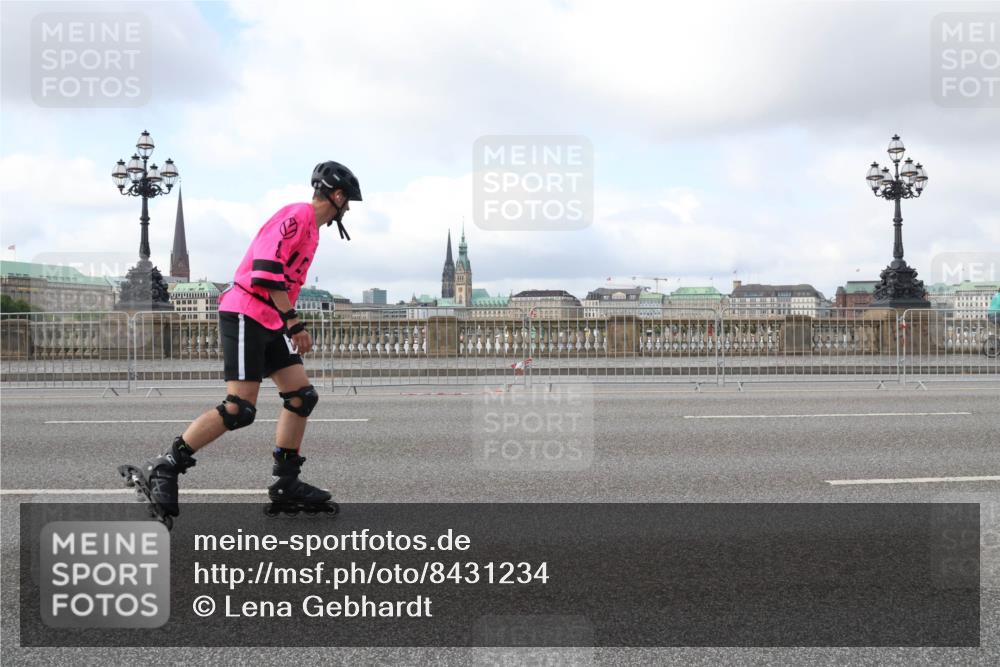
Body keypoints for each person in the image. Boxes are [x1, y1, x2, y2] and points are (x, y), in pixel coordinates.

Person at [119, 161, 362, 527]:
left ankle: (286, 482)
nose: (346, 210)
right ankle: (166, 465)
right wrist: (295, 322)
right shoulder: (296, 215)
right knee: (239, 409)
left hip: (269, 318)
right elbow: (265, 269)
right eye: (347, 203)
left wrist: (285, 320)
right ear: (337, 195)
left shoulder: (313, 231)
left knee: (302, 396)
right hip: (247, 310)